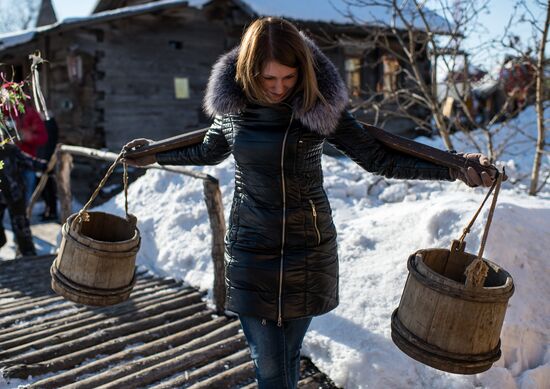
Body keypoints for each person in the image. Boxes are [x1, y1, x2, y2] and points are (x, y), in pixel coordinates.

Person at [123, 18, 497, 389]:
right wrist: (155, 155)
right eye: (268, 79)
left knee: (287, 357)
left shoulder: (316, 107)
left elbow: (380, 157)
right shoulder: (233, 111)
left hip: (308, 251)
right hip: (251, 252)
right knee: (269, 366)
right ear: (249, 72)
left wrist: (454, 168)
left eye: (288, 78)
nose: (279, 88)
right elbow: (206, 150)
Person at [0, 143, 46, 256]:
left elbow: (27, 161)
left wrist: (44, 166)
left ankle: (28, 254)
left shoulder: (9, 149)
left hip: (14, 192)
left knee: (21, 225)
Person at [14, 103, 48, 203]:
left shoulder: (30, 113)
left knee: (27, 193)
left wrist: (29, 137)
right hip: (8, 163)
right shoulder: (4, 112)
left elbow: (43, 138)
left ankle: (24, 215)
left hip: (27, 161)